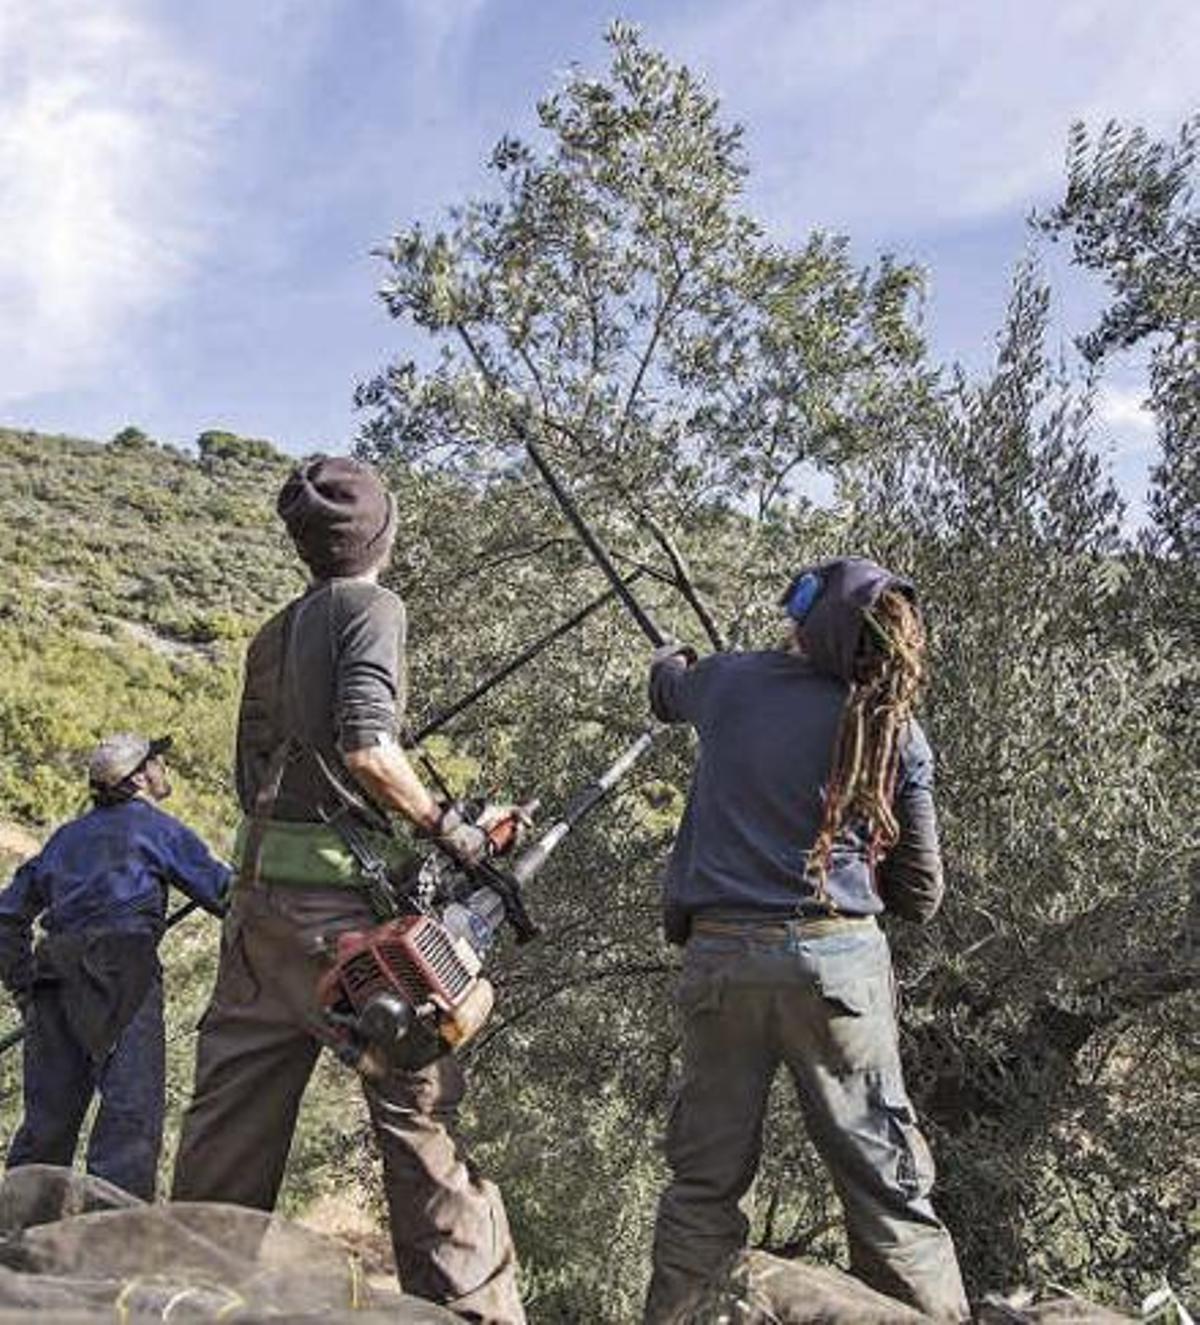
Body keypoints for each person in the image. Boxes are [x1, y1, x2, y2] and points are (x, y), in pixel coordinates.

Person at [171, 455, 525, 1325]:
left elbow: (250, 773)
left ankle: (181, 1295)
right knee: (420, 1118)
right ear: (378, 534)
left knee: (227, 1128)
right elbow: (368, 746)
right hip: (337, 928)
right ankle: (473, 1313)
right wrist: (452, 829)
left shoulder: (270, 633)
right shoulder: (373, 605)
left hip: (254, 915)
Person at [644, 556, 970, 1324]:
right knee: (889, 1190)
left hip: (722, 963)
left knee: (703, 1187)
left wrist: (673, 659)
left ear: (814, 621)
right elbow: (920, 896)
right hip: (840, 969)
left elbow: (668, 688)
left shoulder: (728, 682)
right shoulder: (895, 730)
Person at [0, 734, 230, 1200]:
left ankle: (16, 1244)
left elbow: (7, 916)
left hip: (53, 977)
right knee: (129, 1121)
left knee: (47, 1126)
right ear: (139, 776)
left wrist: (24, 987)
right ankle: (107, 1254)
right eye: (157, 761)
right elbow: (226, 896)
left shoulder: (66, 838)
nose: (165, 767)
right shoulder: (157, 829)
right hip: (124, 974)